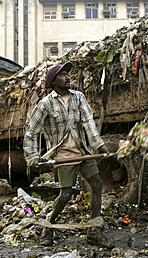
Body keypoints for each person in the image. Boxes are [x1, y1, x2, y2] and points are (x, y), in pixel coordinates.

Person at [23, 62, 113, 248]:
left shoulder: (78, 98)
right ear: (53, 81)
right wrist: (32, 158)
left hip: (82, 152)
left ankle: (94, 230)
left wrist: (100, 147)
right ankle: (48, 226)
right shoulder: (45, 104)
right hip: (63, 155)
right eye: (63, 75)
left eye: (67, 74)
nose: (68, 77)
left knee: (96, 185)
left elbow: (89, 123)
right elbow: (31, 132)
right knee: (66, 194)